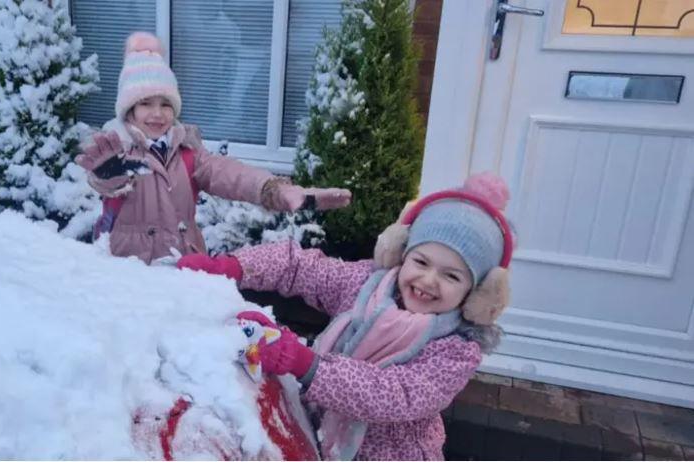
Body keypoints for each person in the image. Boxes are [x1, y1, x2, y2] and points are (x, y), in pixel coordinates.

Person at [176, 172, 515, 460]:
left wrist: (304, 361)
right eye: (421, 262)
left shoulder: (457, 349)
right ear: (400, 253)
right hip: (321, 435)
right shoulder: (367, 285)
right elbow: (300, 268)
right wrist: (233, 266)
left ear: (477, 292)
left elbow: (391, 395)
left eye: (451, 276)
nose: (428, 281)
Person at [76, 32, 351, 264]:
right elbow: (110, 183)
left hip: (183, 264)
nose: (157, 114)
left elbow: (230, 174)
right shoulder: (117, 151)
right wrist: (108, 175)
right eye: (146, 103)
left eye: (165, 104)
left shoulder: (186, 153)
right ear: (129, 109)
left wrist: (275, 189)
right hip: (131, 270)